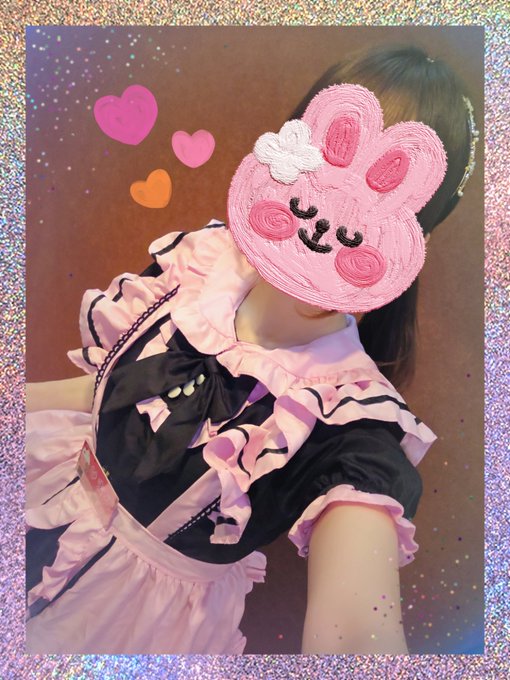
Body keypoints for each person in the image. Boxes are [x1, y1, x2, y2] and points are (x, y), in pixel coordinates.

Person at [25, 45, 478, 655]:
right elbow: (110, 388)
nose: (334, 208)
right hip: (46, 496)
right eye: (330, 159)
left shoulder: (351, 423)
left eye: (374, 199)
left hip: (132, 623)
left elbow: (354, 630)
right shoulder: (200, 263)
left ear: (408, 238)